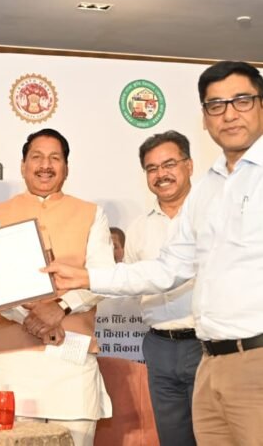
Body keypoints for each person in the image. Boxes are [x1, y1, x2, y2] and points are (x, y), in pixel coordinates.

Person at [47, 60, 263, 446]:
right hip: (211, 362)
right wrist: (87, 277)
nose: (229, 114)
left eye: (242, 100)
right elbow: (167, 269)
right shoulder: (209, 189)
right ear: (205, 118)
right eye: (216, 105)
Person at [0, 128, 113, 446]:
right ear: (23, 165)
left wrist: (61, 308)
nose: (45, 165)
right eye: (37, 157)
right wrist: (34, 319)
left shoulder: (91, 214)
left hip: (73, 362)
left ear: (66, 167)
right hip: (16, 362)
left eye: (55, 158)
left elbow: (103, 278)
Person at [126, 130, 199, 446]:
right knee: (173, 440)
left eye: (169, 164)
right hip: (159, 346)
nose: (161, 174)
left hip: (207, 344)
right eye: (151, 168)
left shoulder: (212, 215)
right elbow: (128, 282)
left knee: (216, 437)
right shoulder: (138, 228)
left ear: (189, 165)